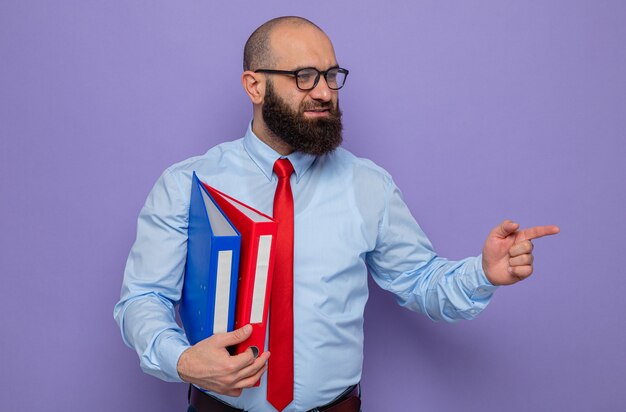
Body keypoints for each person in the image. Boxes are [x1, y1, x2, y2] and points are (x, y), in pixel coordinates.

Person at [114, 16, 559, 412]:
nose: (325, 91)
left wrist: (481, 273)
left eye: (331, 75)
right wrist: (183, 359)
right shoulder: (185, 184)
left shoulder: (369, 186)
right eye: (304, 76)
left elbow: (420, 280)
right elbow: (143, 298)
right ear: (254, 85)